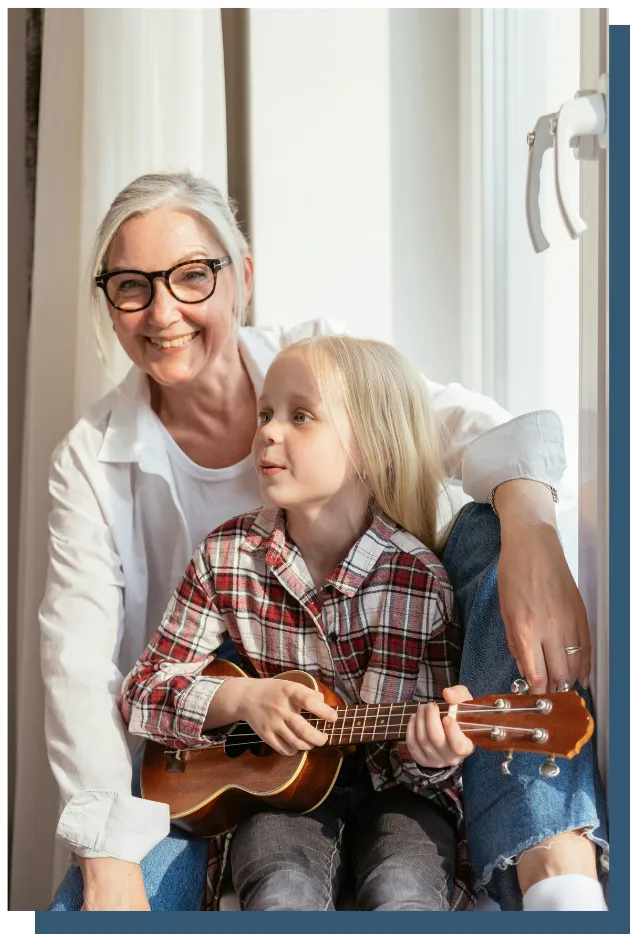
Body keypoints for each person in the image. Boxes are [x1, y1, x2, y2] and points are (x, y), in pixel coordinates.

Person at [42, 172, 607, 913]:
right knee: (92, 912)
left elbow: (484, 429)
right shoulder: (94, 461)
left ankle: (553, 863)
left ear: (241, 275)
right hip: (197, 763)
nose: (163, 310)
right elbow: (80, 672)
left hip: (364, 759)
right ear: (109, 302)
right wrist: (112, 861)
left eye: (190, 275)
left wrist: (531, 524)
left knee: (489, 521)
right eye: (130, 286)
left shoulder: (318, 366)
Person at [120, 334, 479, 911]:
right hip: (283, 800)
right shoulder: (227, 556)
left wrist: (435, 756)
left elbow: (426, 775)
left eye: (300, 416)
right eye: (265, 413)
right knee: (281, 887)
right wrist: (241, 699)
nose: (267, 431)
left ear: (373, 448)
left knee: (404, 889)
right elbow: (142, 694)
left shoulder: (417, 581)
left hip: (397, 799)